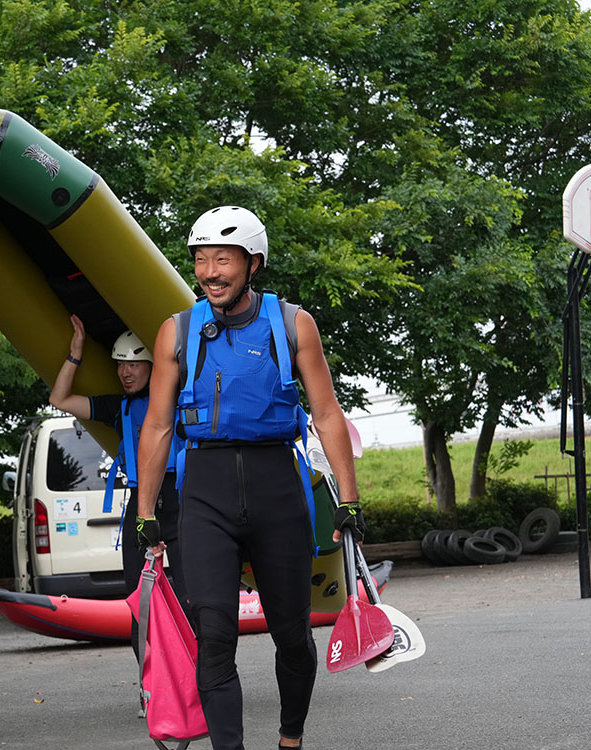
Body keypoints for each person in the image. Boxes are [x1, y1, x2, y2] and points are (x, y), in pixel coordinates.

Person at [134, 206, 367, 750]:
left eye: (223, 259)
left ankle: (290, 739)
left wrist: (348, 499)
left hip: (277, 488)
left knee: (292, 636)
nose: (209, 271)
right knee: (214, 639)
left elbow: (327, 413)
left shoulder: (292, 324)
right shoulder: (178, 331)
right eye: (200, 259)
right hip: (205, 493)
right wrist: (146, 510)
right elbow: (158, 423)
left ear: (253, 263)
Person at [48, 315, 183, 653]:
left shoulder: (179, 396)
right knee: (138, 596)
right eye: (121, 365)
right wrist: (75, 353)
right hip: (140, 504)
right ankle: (149, 682)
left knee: (188, 594)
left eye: (134, 364)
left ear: (153, 364)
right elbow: (59, 400)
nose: (126, 372)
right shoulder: (116, 406)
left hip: (181, 500)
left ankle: (196, 677)